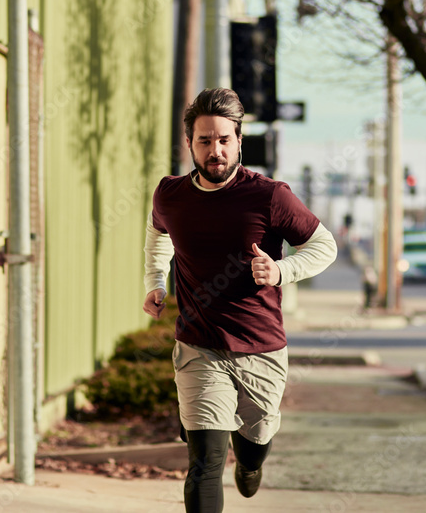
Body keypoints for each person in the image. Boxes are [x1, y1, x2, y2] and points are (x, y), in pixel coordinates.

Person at [143, 88, 337, 513]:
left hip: (262, 348)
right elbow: (158, 234)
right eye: (205, 140)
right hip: (199, 345)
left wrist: (281, 271)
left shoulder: (270, 196)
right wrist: (156, 280)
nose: (215, 150)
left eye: (223, 140)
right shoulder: (170, 195)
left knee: (252, 447)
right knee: (205, 464)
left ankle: (250, 462)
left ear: (239, 141)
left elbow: (324, 246)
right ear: (190, 143)